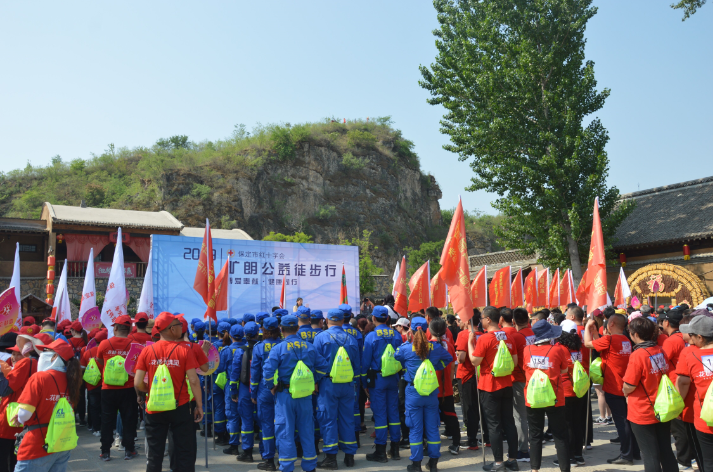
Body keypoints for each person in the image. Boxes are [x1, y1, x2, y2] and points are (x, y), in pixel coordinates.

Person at [135, 313, 203, 472]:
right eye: (179, 325)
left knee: (154, 454)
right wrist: (199, 406)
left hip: (154, 408)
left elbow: (137, 382)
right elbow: (193, 380)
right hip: (180, 407)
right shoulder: (185, 351)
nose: (182, 328)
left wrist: (150, 391)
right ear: (172, 329)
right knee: (184, 452)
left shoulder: (147, 350)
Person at [263, 315, 329, 472]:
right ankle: (310, 466)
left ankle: (286, 467)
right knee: (307, 429)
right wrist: (313, 380)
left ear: (281, 329)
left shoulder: (278, 348)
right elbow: (323, 367)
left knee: (285, 430)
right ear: (298, 328)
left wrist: (271, 386)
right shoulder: (309, 346)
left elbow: (267, 371)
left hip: (285, 394)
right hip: (305, 395)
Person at [13, 339, 82, 472]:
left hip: (37, 445)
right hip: (62, 443)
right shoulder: (72, 379)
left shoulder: (39, 378)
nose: (42, 354)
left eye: (46, 351)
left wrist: (19, 417)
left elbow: (24, 414)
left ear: (55, 356)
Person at [394, 317, 453, 472]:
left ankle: (416, 464)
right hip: (431, 392)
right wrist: (434, 367)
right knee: (433, 428)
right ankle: (433, 463)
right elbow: (449, 358)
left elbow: (396, 356)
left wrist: (407, 342)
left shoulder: (406, 348)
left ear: (411, 330)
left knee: (415, 429)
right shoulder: (435, 347)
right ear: (427, 330)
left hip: (413, 392)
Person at [621, 317, 678, 472]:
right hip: (662, 407)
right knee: (666, 450)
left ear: (634, 334)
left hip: (643, 410)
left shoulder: (638, 355)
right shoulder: (659, 350)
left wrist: (624, 390)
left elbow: (629, 385)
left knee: (650, 454)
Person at [584, 312, 639, 465]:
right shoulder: (626, 340)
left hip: (614, 386)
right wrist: (596, 334)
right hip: (625, 385)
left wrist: (588, 327)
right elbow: (601, 346)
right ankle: (634, 452)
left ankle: (626, 455)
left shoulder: (610, 339)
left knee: (622, 423)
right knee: (628, 421)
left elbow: (588, 344)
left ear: (612, 324)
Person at [470, 306, 519, 472]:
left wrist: (471, 344)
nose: (481, 321)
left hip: (489, 385)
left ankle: (498, 463)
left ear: (488, 319)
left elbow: (475, 361)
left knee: (494, 425)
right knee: (509, 422)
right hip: (506, 384)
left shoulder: (484, 339)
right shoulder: (509, 337)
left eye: (482, 319)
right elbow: (515, 362)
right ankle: (512, 459)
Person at [313, 309, 360, 469]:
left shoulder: (320, 338)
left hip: (328, 384)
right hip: (347, 384)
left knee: (328, 419)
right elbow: (356, 365)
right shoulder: (352, 339)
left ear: (326, 320)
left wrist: (315, 382)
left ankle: (331, 458)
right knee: (348, 418)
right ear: (342, 320)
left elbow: (315, 364)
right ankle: (349, 456)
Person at [522, 320, 570, 472]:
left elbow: (525, 368)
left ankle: (534, 469)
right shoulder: (557, 350)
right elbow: (563, 370)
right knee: (560, 436)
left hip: (533, 398)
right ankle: (564, 469)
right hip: (554, 398)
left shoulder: (526, 350)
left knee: (535, 436)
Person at [96, 315, 139, 461]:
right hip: (129, 388)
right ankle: (129, 450)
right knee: (129, 419)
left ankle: (105, 452)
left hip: (108, 388)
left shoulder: (104, 344)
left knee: (107, 420)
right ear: (130, 329)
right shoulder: (135, 344)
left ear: (115, 328)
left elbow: (100, 361)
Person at [362, 306, 402, 462]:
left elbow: (365, 363)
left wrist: (364, 382)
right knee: (393, 413)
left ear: (373, 318)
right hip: (393, 378)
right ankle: (395, 449)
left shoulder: (371, 337)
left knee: (379, 414)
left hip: (377, 380)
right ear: (387, 319)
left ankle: (380, 452)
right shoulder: (397, 335)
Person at [676, 315, 713, 472]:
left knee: (707, 462)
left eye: (691, 335)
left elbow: (683, 382)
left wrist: (677, 406)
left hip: (705, 416)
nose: (688, 338)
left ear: (700, 337)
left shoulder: (691, 354)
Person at [659, 309, 694, 470]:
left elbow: (662, 362)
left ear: (667, 323)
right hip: (689, 384)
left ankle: (684, 460)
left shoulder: (671, 341)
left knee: (678, 426)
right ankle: (691, 457)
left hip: (676, 386)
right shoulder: (688, 338)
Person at [0, 332, 36, 472]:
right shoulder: (33, 363)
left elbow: (4, 390)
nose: (14, 357)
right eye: (12, 354)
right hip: (21, 419)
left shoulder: (25, 364)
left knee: (5, 460)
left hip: (9, 421)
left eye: (18, 353)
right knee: (15, 459)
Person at [250, 317, 282, 471]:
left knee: (267, 425)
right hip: (282, 388)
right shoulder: (284, 345)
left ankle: (269, 459)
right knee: (283, 423)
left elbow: (255, 373)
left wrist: (253, 393)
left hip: (264, 390)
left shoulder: (259, 347)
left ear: (263, 329)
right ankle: (284, 457)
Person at [456, 310, 488, 450]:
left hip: (467, 376)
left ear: (468, 321)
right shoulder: (484, 335)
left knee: (470, 409)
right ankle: (487, 439)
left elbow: (462, 358)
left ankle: (472, 441)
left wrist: (457, 355)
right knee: (483, 408)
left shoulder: (463, 335)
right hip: (481, 376)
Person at [500, 308, 529, 462]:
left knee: (520, 416)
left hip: (519, 379)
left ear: (515, 321)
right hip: (538, 379)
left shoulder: (515, 337)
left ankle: (523, 451)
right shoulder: (536, 334)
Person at [232, 321, 262, 462]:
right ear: (258, 333)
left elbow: (235, 373)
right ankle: (266, 452)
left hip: (245, 389)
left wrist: (233, 391)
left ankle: (247, 452)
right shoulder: (262, 348)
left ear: (245, 334)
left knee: (246, 421)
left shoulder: (240, 350)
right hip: (261, 388)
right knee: (265, 421)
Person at [558, 329, 587, 466]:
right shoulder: (580, 349)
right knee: (577, 422)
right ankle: (578, 455)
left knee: (567, 424)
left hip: (566, 390)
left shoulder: (560, 349)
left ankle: (569, 457)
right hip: (579, 389)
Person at [221, 324, 245, 455]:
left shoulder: (226, 351)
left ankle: (234, 444)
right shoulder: (247, 348)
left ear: (230, 336)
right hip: (246, 386)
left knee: (232, 416)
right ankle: (247, 447)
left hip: (231, 385)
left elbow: (218, 369)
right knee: (247, 417)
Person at [80, 328, 107, 437]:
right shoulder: (107, 351)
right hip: (105, 384)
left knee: (94, 407)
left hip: (91, 385)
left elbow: (82, 367)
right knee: (105, 407)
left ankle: (96, 429)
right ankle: (107, 427)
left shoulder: (87, 353)